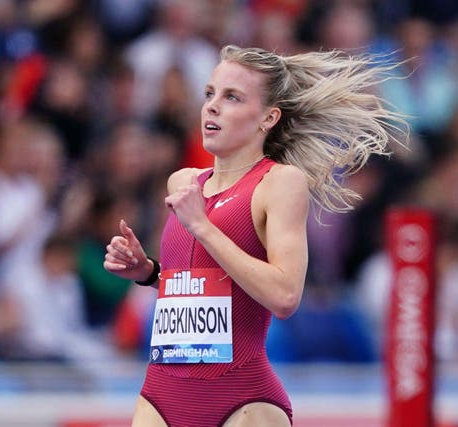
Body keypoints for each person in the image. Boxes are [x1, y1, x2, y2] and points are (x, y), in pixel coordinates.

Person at [104, 45, 406, 427]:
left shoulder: (279, 183)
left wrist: (203, 226)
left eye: (232, 97)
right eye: (210, 94)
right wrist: (148, 272)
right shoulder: (183, 182)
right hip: (161, 395)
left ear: (268, 117)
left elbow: (284, 296)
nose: (212, 107)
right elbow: (205, 287)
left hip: (241, 400)